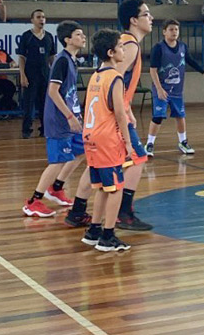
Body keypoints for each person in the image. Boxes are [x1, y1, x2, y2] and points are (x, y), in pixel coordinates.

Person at [22, 22, 90, 218]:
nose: (83, 37)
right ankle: (33, 202)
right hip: (59, 119)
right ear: (67, 39)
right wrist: (69, 116)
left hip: (71, 117)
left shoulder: (72, 59)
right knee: (57, 162)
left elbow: (69, 93)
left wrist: (76, 114)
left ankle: (57, 188)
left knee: (81, 150)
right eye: (78, 34)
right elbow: (53, 91)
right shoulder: (62, 60)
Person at [80, 29, 134, 252]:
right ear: (112, 52)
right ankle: (108, 236)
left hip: (90, 136)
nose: (124, 50)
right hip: (107, 138)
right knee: (115, 189)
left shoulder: (95, 75)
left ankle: (94, 230)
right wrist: (128, 142)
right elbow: (120, 114)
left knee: (102, 187)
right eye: (121, 47)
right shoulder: (115, 77)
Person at [146, 19, 204, 158]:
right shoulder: (158, 48)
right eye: (171, 29)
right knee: (158, 116)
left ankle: (183, 142)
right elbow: (152, 70)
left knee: (180, 116)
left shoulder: (182, 46)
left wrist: (203, 72)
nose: (174, 32)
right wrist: (158, 88)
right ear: (164, 31)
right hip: (162, 89)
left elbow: (190, 61)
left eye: (176, 29)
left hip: (177, 90)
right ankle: (149, 144)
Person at [115, 0, 154, 231]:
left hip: (115, 109)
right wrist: (124, 111)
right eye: (146, 14)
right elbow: (113, 79)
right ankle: (123, 213)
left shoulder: (126, 43)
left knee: (101, 164)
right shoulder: (130, 45)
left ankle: (78, 209)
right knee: (138, 159)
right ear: (133, 20)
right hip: (113, 113)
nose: (151, 18)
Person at [18, 9, 56, 139]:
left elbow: (52, 57)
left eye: (43, 17)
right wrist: (22, 75)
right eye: (39, 17)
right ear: (32, 20)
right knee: (29, 104)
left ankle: (45, 129)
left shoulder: (49, 36)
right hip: (30, 73)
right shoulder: (26, 36)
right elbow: (22, 57)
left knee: (45, 103)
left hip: (45, 73)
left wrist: (55, 75)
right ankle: (26, 130)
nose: (42, 20)